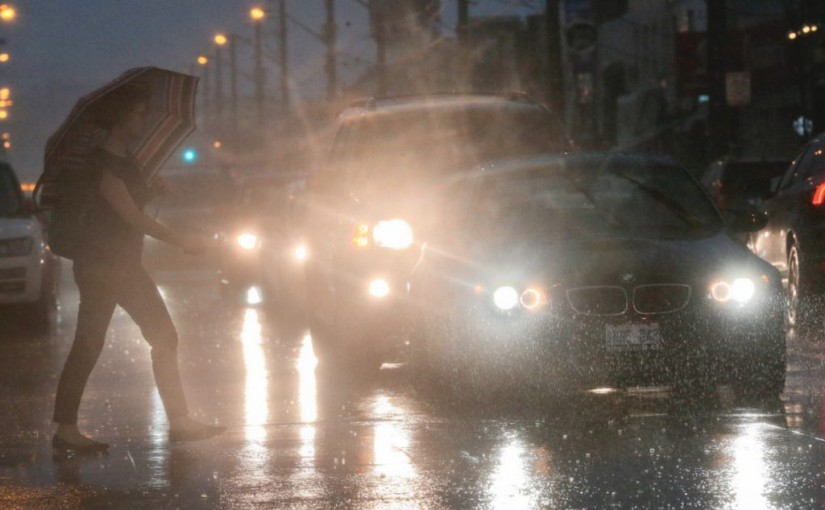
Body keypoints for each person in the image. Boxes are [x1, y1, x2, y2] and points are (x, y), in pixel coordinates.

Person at [52, 84, 224, 453]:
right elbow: (129, 215)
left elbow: (131, 206)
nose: (143, 120)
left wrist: (152, 190)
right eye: (138, 114)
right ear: (118, 119)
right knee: (89, 343)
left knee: (164, 336)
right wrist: (181, 241)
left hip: (124, 265)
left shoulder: (126, 161)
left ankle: (179, 422)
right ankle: (65, 428)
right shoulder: (103, 164)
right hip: (101, 265)